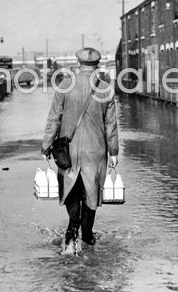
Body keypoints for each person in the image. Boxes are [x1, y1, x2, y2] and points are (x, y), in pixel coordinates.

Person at [41, 47, 119, 254]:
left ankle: (71, 229)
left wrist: (46, 144)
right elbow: (111, 125)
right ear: (98, 67)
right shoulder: (106, 90)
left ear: (78, 64)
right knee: (91, 191)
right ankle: (88, 235)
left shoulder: (65, 86)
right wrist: (115, 152)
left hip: (69, 150)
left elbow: (54, 118)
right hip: (96, 152)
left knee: (72, 188)